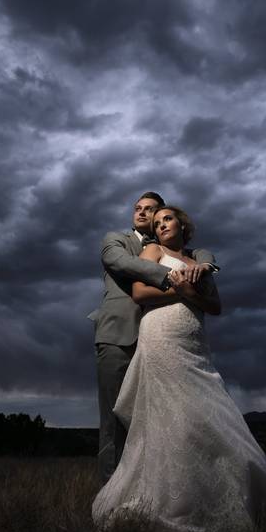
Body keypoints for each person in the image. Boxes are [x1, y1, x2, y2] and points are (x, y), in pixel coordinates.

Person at [92, 205, 266, 532]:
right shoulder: (153, 250)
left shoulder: (200, 261)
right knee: (174, 415)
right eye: (156, 221)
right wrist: (180, 291)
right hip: (161, 337)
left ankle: (212, 499)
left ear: (182, 224)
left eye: (167, 218)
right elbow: (140, 293)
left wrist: (194, 289)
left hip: (195, 342)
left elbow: (216, 306)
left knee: (206, 412)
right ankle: (171, 505)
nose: (161, 224)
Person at [88, 192, 217, 482]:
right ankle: (109, 498)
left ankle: (148, 489)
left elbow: (204, 256)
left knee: (161, 418)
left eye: (150, 209)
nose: (141, 213)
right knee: (114, 421)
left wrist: (205, 265)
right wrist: (177, 274)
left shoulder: (178, 250)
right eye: (137, 208)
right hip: (119, 336)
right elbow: (122, 264)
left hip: (162, 341)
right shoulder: (116, 240)